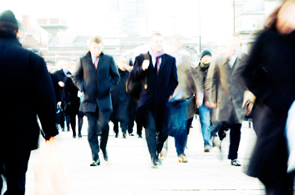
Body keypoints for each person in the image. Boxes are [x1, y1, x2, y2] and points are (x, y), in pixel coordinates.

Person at [0, 10, 58, 195]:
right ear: (17, 32)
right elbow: (46, 99)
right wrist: (49, 130)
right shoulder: (32, 61)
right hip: (19, 135)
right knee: (16, 183)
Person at [242, 1, 295, 193]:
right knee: (275, 181)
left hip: (292, 119)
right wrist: (270, 97)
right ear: (280, 11)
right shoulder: (266, 38)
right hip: (274, 118)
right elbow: (247, 71)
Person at [129, 33, 178, 167]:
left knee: (165, 130)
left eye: (160, 41)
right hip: (146, 101)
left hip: (162, 102)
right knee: (150, 128)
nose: (158, 44)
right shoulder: (141, 58)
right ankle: (153, 157)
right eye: (156, 41)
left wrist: (168, 92)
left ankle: (155, 150)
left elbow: (174, 80)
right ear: (151, 43)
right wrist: (142, 68)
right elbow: (133, 76)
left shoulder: (170, 60)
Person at [72, 36, 120, 166]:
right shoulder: (83, 60)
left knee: (104, 125)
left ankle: (103, 147)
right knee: (91, 128)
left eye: (99, 48)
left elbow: (116, 76)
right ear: (90, 47)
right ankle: (95, 155)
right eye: (94, 47)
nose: (96, 50)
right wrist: (81, 87)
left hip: (104, 99)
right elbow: (75, 76)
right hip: (89, 100)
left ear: (102, 47)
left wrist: (109, 87)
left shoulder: (108, 59)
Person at [205, 35, 248, 166]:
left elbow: (249, 80)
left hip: (238, 100)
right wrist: (211, 98)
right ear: (227, 46)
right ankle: (217, 136)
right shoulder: (218, 59)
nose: (233, 48)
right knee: (222, 124)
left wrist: (249, 100)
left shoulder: (244, 59)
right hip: (222, 100)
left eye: (236, 45)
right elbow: (210, 79)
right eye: (231, 45)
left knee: (237, 128)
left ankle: (233, 156)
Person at [166, 37, 201, 163]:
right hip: (167, 98)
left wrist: (198, 93)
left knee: (181, 126)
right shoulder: (164, 58)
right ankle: (161, 148)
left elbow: (192, 75)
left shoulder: (184, 59)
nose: (174, 45)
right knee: (167, 126)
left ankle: (180, 153)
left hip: (181, 98)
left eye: (176, 43)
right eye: (172, 42)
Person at [195, 50, 213, 152]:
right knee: (205, 122)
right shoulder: (196, 70)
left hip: (215, 100)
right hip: (202, 101)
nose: (206, 58)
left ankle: (213, 135)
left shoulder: (215, 69)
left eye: (208, 56)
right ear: (201, 58)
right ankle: (207, 143)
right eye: (204, 56)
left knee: (216, 122)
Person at [110, 57, 132, 138]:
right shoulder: (113, 73)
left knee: (124, 114)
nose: (123, 66)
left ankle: (124, 130)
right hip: (114, 96)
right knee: (114, 114)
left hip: (125, 96)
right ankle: (116, 130)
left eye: (125, 64)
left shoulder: (129, 75)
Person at [63, 61, 82, 138]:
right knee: (72, 117)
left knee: (80, 116)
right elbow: (65, 91)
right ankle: (74, 132)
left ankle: (79, 132)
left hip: (79, 99)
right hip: (71, 100)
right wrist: (67, 101)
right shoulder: (67, 78)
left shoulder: (80, 77)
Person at [52, 60, 70, 131]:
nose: (66, 66)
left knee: (68, 111)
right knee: (61, 111)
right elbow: (53, 83)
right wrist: (58, 82)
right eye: (64, 64)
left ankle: (68, 126)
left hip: (68, 95)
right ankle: (62, 126)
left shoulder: (70, 74)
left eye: (67, 64)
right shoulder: (56, 73)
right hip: (60, 94)